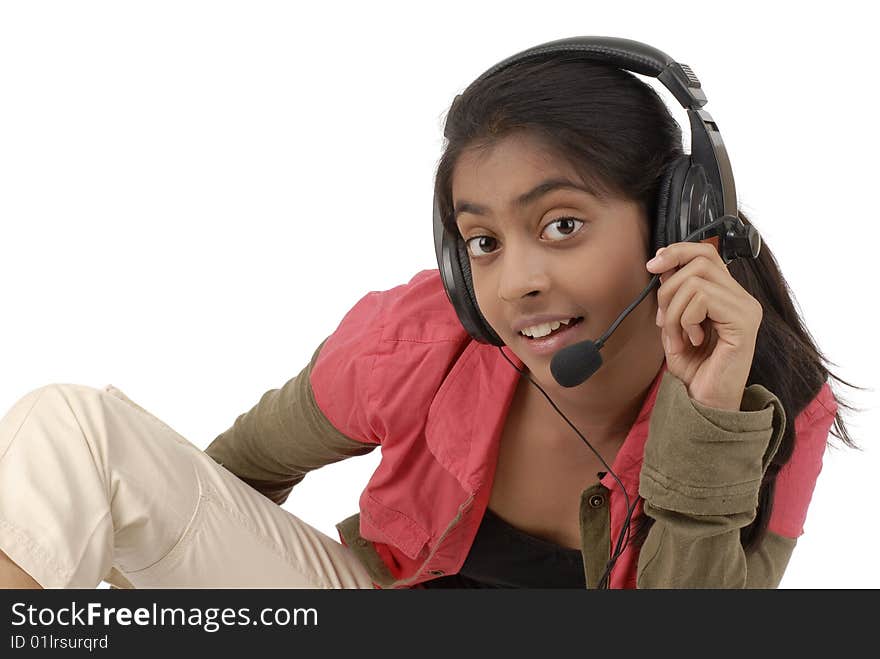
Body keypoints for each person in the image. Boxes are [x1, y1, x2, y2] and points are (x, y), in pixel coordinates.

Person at [0, 38, 861, 590]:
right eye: (482, 242)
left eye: (562, 224)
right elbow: (229, 481)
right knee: (74, 427)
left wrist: (705, 416)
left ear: (676, 221)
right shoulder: (424, 336)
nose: (515, 280)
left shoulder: (778, 402)